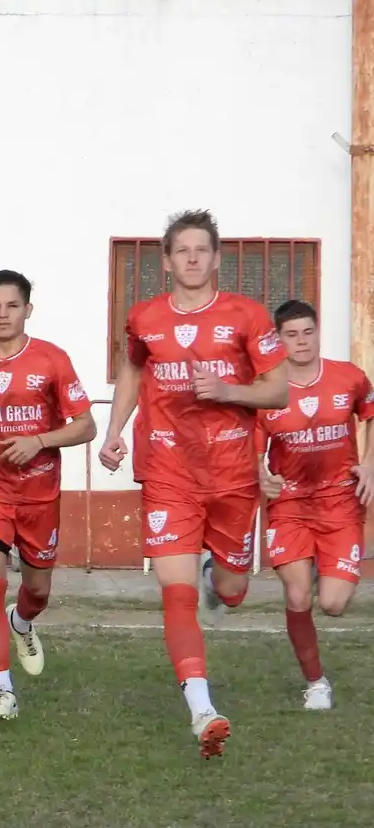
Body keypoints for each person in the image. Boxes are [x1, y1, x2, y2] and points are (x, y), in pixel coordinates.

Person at [100, 209, 288, 758]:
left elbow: (277, 390)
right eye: (181, 250)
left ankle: (219, 579)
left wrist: (228, 391)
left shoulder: (246, 316)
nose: (191, 259)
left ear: (215, 258)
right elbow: (134, 369)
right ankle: (201, 706)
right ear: (166, 260)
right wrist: (115, 430)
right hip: (167, 471)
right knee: (174, 593)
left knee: (230, 591)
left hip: (231, 475)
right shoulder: (144, 317)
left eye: (201, 250)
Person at [0, 270, 96, 722]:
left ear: (28, 309)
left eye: (12, 306)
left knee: (37, 590)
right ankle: (2, 691)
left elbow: (86, 425)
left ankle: (22, 621)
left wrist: (40, 441)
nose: (2, 314)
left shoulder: (52, 360)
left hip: (38, 493)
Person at [256, 299, 374, 711]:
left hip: (340, 501)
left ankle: (330, 565)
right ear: (279, 339)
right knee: (298, 595)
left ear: (317, 331)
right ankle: (316, 682)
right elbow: (252, 447)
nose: (301, 341)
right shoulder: (267, 389)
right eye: (291, 334)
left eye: (307, 332)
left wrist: (370, 464)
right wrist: (260, 475)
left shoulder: (348, 377)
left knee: (334, 604)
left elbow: (371, 412)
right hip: (289, 504)